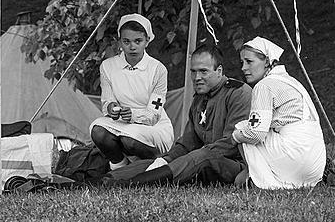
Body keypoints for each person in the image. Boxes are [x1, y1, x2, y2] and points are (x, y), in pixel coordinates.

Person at [105, 44, 252, 186]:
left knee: (199, 157)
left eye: (203, 71)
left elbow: (231, 144)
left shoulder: (238, 93)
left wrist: (190, 157)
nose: (197, 77)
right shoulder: (200, 98)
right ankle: (105, 180)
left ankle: (131, 184)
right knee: (154, 162)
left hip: (234, 166)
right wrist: (165, 160)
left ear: (219, 71)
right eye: (193, 71)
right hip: (201, 161)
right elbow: (188, 143)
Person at [232, 36, 326, 189]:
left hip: (295, 156)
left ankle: (260, 179)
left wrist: (234, 137)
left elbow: (256, 134)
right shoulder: (290, 81)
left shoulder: (264, 86)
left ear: (267, 62)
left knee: (242, 128)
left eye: (249, 62)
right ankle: (268, 177)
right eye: (242, 62)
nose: (243, 68)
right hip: (314, 166)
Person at [90, 14, 172, 170]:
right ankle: (120, 166)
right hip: (120, 122)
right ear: (120, 41)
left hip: (152, 126)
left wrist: (133, 115)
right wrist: (111, 108)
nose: (132, 47)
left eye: (138, 41)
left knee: (130, 139)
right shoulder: (107, 67)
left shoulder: (158, 70)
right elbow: (107, 101)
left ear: (147, 40)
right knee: (98, 131)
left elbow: (154, 113)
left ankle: (155, 166)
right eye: (126, 41)